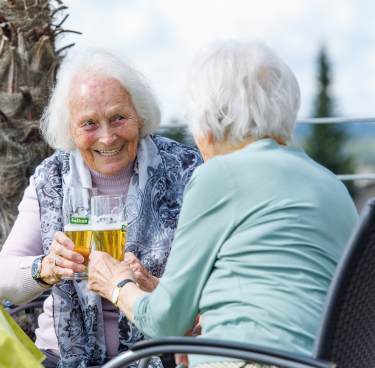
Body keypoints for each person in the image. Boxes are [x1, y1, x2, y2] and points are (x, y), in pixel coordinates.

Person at [87, 39, 359, 368]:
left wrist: (117, 284)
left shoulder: (220, 175)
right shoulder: (331, 184)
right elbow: (283, 291)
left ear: (209, 123)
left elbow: (163, 322)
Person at [0, 47, 203, 368]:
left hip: (163, 355)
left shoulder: (185, 169)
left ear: (140, 114)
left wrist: (160, 290)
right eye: (89, 123)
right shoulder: (53, 178)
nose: (107, 137)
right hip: (61, 358)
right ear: (69, 130)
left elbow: (215, 278)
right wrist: (47, 268)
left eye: (119, 117)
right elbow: (2, 279)